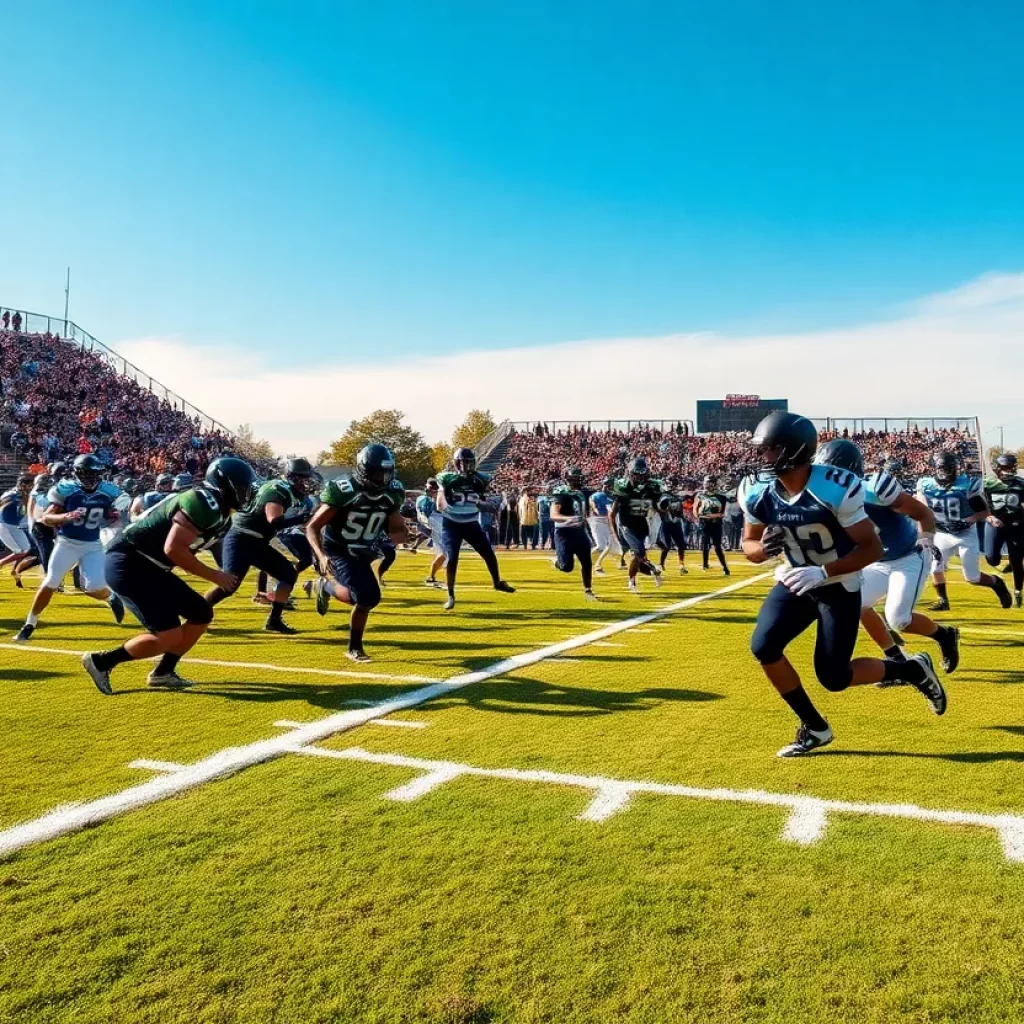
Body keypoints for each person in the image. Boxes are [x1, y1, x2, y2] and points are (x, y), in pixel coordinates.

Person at [739, 412, 945, 758]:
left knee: (833, 677)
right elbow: (749, 542)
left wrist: (823, 572)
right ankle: (816, 728)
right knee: (764, 646)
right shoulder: (757, 491)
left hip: (840, 583)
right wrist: (761, 551)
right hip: (795, 579)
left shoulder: (834, 486)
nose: (764, 458)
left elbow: (872, 548)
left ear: (794, 451)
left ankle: (910, 668)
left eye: (771, 449)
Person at [81, 456, 255, 694]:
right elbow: (173, 549)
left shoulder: (222, 513)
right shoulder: (202, 502)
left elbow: (213, 544)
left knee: (201, 612)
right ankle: (102, 662)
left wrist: (228, 568)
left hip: (152, 566)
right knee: (169, 635)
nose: (246, 494)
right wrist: (215, 576)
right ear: (225, 485)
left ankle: (163, 672)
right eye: (243, 488)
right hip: (129, 562)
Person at [816, 439, 960, 673]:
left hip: (907, 556)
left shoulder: (875, 490)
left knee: (899, 620)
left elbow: (923, 513)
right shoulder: (825, 497)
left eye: (831, 472)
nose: (825, 478)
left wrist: (926, 539)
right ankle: (897, 659)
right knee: (857, 605)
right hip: (876, 561)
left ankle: (945, 635)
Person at [306, 444, 408, 662]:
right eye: (376, 472)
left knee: (367, 598)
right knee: (366, 598)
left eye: (385, 473)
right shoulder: (345, 490)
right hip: (339, 549)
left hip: (364, 548)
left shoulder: (392, 493)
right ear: (363, 470)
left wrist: (398, 537)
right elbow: (312, 527)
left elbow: (397, 527)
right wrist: (321, 555)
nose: (381, 478)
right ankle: (354, 647)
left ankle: (323, 586)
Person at [14, 455, 126, 642]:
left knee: (94, 587)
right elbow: (47, 518)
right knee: (51, 582)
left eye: (94, 473)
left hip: (92, 545)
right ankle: (29, 624)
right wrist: (67, 516)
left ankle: (111, 598)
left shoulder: (109, 491)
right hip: (67, 543)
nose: (90, 477)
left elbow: (121, 505)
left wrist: (115, 513)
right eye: (86, 473)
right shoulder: (66, 490)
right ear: (77, 473)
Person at [205, 458, 314, 633]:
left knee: (288, 574)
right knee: (229, 584)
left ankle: (274, 621)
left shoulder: (284, 489)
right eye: (303, 478)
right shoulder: (278, 490)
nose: (306, 482)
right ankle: (198, 611)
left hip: (257, 541)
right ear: (292, 477)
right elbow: (275, 521)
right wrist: (302, 518)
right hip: (240, 537)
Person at [917, 452, 1011, 611]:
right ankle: (943, 600)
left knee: (972, 577)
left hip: (966, 533)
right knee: (935, 567)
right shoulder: (925, 485)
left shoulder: (966, 484)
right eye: (941, 468)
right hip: (942, 533)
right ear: (934, 468)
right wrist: (925, 537)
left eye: (947, 468)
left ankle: (997, 583)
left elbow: (983, 512)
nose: (944, 472)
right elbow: (922, 512)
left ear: (954, 468)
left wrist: (971, 519)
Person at [435, 447, 515, 610]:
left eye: (469, 463)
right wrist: (445, 503)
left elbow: (484, 502)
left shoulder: (480, 479)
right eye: (463, 462)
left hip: (471, 523)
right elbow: (439, 503)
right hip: (452, 524)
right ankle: (450, 595)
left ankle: (497, 582)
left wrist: (485, 504)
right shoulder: (447, 479)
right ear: (456, 463)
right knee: (452, 558)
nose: (466, 466)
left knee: (489, 554)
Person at [610, 456, 663, 593]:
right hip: (626, 525)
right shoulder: (623, 487)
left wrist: (663, 507)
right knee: (639, 551)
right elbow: (612, 513)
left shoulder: (651, 487)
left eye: (642, 473)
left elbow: (658, 507)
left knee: (637, 557)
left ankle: (635, 579)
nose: (640, 476)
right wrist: (615, 533)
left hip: (643, 524)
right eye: (636, 473)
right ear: (630, 473)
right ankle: (652, 569)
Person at [983, 453, 1024, 608]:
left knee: (1016, 559)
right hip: (995, 524)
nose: (1007, 471)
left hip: (1017, 525)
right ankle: (1002, 576)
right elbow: (980, 506)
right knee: (991, 558)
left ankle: (1018, 590)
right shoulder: (987, 483)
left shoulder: (1021, 484)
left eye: (1010, 467)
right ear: (998, 469)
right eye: (1004, 467)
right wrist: (989, 517)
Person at [550, 467, 596, 600]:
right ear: (568, 479)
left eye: (578, 478)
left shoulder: (582, 494)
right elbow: (553, 515)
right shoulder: (561, 493)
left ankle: (588, 590)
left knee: (587, 562)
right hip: (564, 533)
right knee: (567, 567)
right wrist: (568, 518)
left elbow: (584, 514)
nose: (577, 481)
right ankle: (557, 562)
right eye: (574, 479)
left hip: (580, 532)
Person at [0, 475, 39, 577]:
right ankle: (1, 563)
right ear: (23, 485)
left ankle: (14, 570)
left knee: (26, 549)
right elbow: (4, 502)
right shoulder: (14, 495)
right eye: (31, 485)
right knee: (21, 551)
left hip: (15, 525)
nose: (32, 488)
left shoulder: (19, 493)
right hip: (5, 525)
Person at [695, 475, 730, 575]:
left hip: (716, 523)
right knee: (705, 544)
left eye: (710, 483)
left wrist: (711, 516)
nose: (707, 485)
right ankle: (705, 564)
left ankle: (725, 567)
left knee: (717, 546)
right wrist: (698, 518)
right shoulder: (699, 495)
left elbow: (721, 513)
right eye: (706, 482)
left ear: (715, 484)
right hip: (704, 523)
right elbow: (695, 510)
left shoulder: (721, 497)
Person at [654, 477, 688, 574]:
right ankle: (661, 564)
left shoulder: (677, 497)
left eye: (674, 483)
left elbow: (680, 511)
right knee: (666, 546)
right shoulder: (661, 496)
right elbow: (658, 509)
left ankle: (681, 565)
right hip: (666, 523)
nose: (673, 485)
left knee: (681, 545)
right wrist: (665, 510)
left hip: (676, 523)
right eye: (671, 483)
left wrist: (683, 517)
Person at [417, 478, 447, 588]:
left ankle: (432, 577)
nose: (426, 489)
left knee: (444, 556)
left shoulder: (441, 498)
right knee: (446, 555)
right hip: (439, 531)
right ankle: (444, 581)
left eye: (429, 487)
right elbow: (425, 517)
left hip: (442, 531)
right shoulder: (426, 501)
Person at [588, 477, 621, 575]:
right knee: (601, 546)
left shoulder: (612, 497)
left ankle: (598, 564)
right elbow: (594, 506)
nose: (606, 487)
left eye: (608, 485)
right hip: (597, 520)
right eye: (605, 485)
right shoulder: (597, 495)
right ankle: (584, 559)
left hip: (607, 521)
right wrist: (597, 511)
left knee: (611, 544)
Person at [27, 472, 55, 575]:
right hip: (39, 526)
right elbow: (32, 512)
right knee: (46, 552)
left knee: (50, 553)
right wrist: (33, 524)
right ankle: (50, 576)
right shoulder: (36, 494)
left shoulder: (47, 492)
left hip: (48, 526)